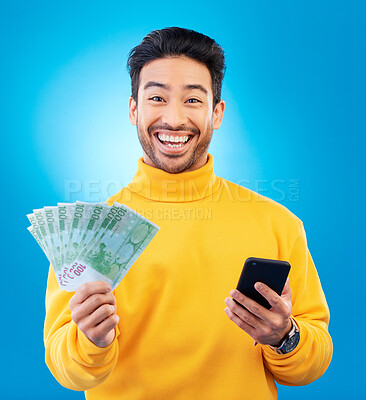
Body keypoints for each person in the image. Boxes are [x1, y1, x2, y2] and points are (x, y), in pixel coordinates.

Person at [44, 26, 333, 399]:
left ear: (217, 112)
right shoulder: (86, 231)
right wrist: (91, 341)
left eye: (194, 100)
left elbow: (313, 361)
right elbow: (66, 370)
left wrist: (283, 336)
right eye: (157, 98)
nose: (175, 119)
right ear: (134, 109)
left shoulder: (278, 224)